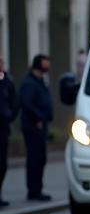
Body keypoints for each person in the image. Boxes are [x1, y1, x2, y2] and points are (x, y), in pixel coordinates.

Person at [20, 53, 53, 202]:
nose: (48, 65)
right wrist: (38, 117)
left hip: (41, 125)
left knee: (40, 158)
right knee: (34, 158)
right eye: (46, 62)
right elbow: (27, 103)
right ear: (38, 64)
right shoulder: (29, 83)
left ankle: (37, 189)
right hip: (33, 126)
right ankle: (33, 191)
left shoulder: (40, 82)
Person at [0, 55, 19, 207]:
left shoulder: (6, 82)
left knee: (2, 164)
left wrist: (10, 116)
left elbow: (15, 100)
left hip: (3, 128)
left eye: (2, 62)